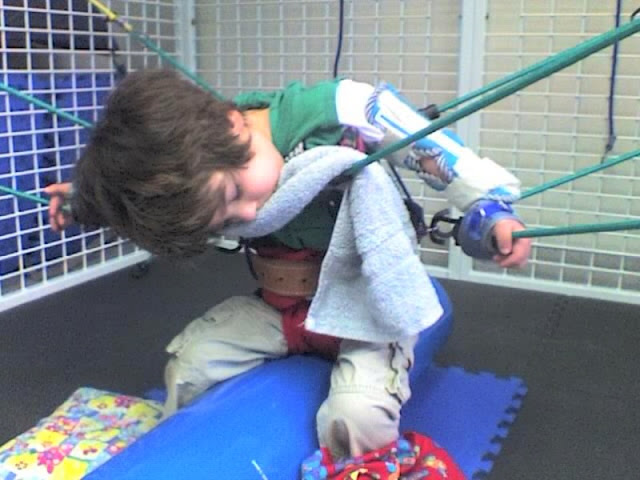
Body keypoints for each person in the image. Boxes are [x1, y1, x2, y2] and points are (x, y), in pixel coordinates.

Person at [45, 68, 531, 460]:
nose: (248, 214)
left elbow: (428, 147)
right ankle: (193, 455)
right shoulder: (194, 173)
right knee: (191, 365)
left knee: (358, 416)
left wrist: (488, 209)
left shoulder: (333, 113)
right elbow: (142, 191)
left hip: (365, 310)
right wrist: (87, 200)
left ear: (232, 125)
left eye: (235, 193)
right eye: (225, 220)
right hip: (282, 308)